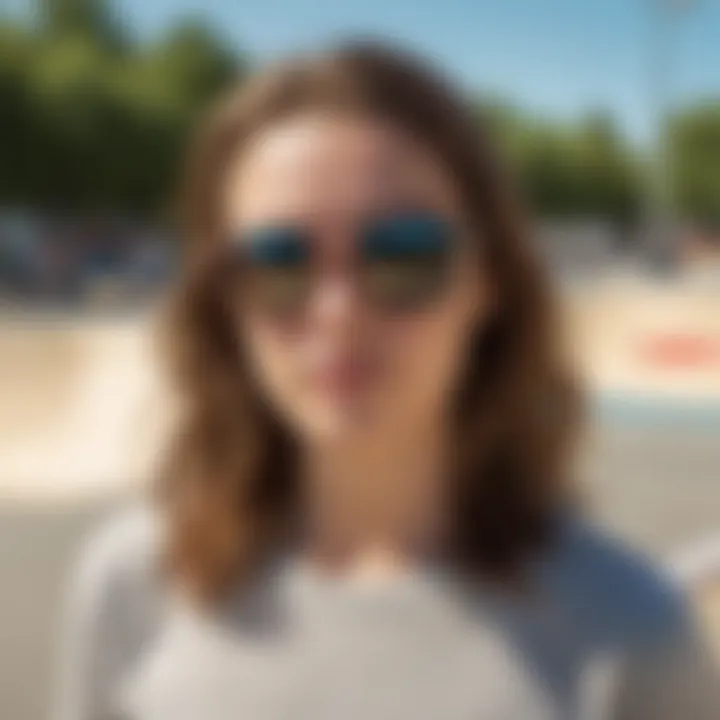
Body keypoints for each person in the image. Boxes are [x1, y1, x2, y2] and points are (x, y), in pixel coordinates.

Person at [54, 41, 719, 720]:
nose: (337, 312)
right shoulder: (129, 588)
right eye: (278, 262)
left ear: (487, 283)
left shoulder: (631, 635)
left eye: (403, 254)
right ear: (225, 302)